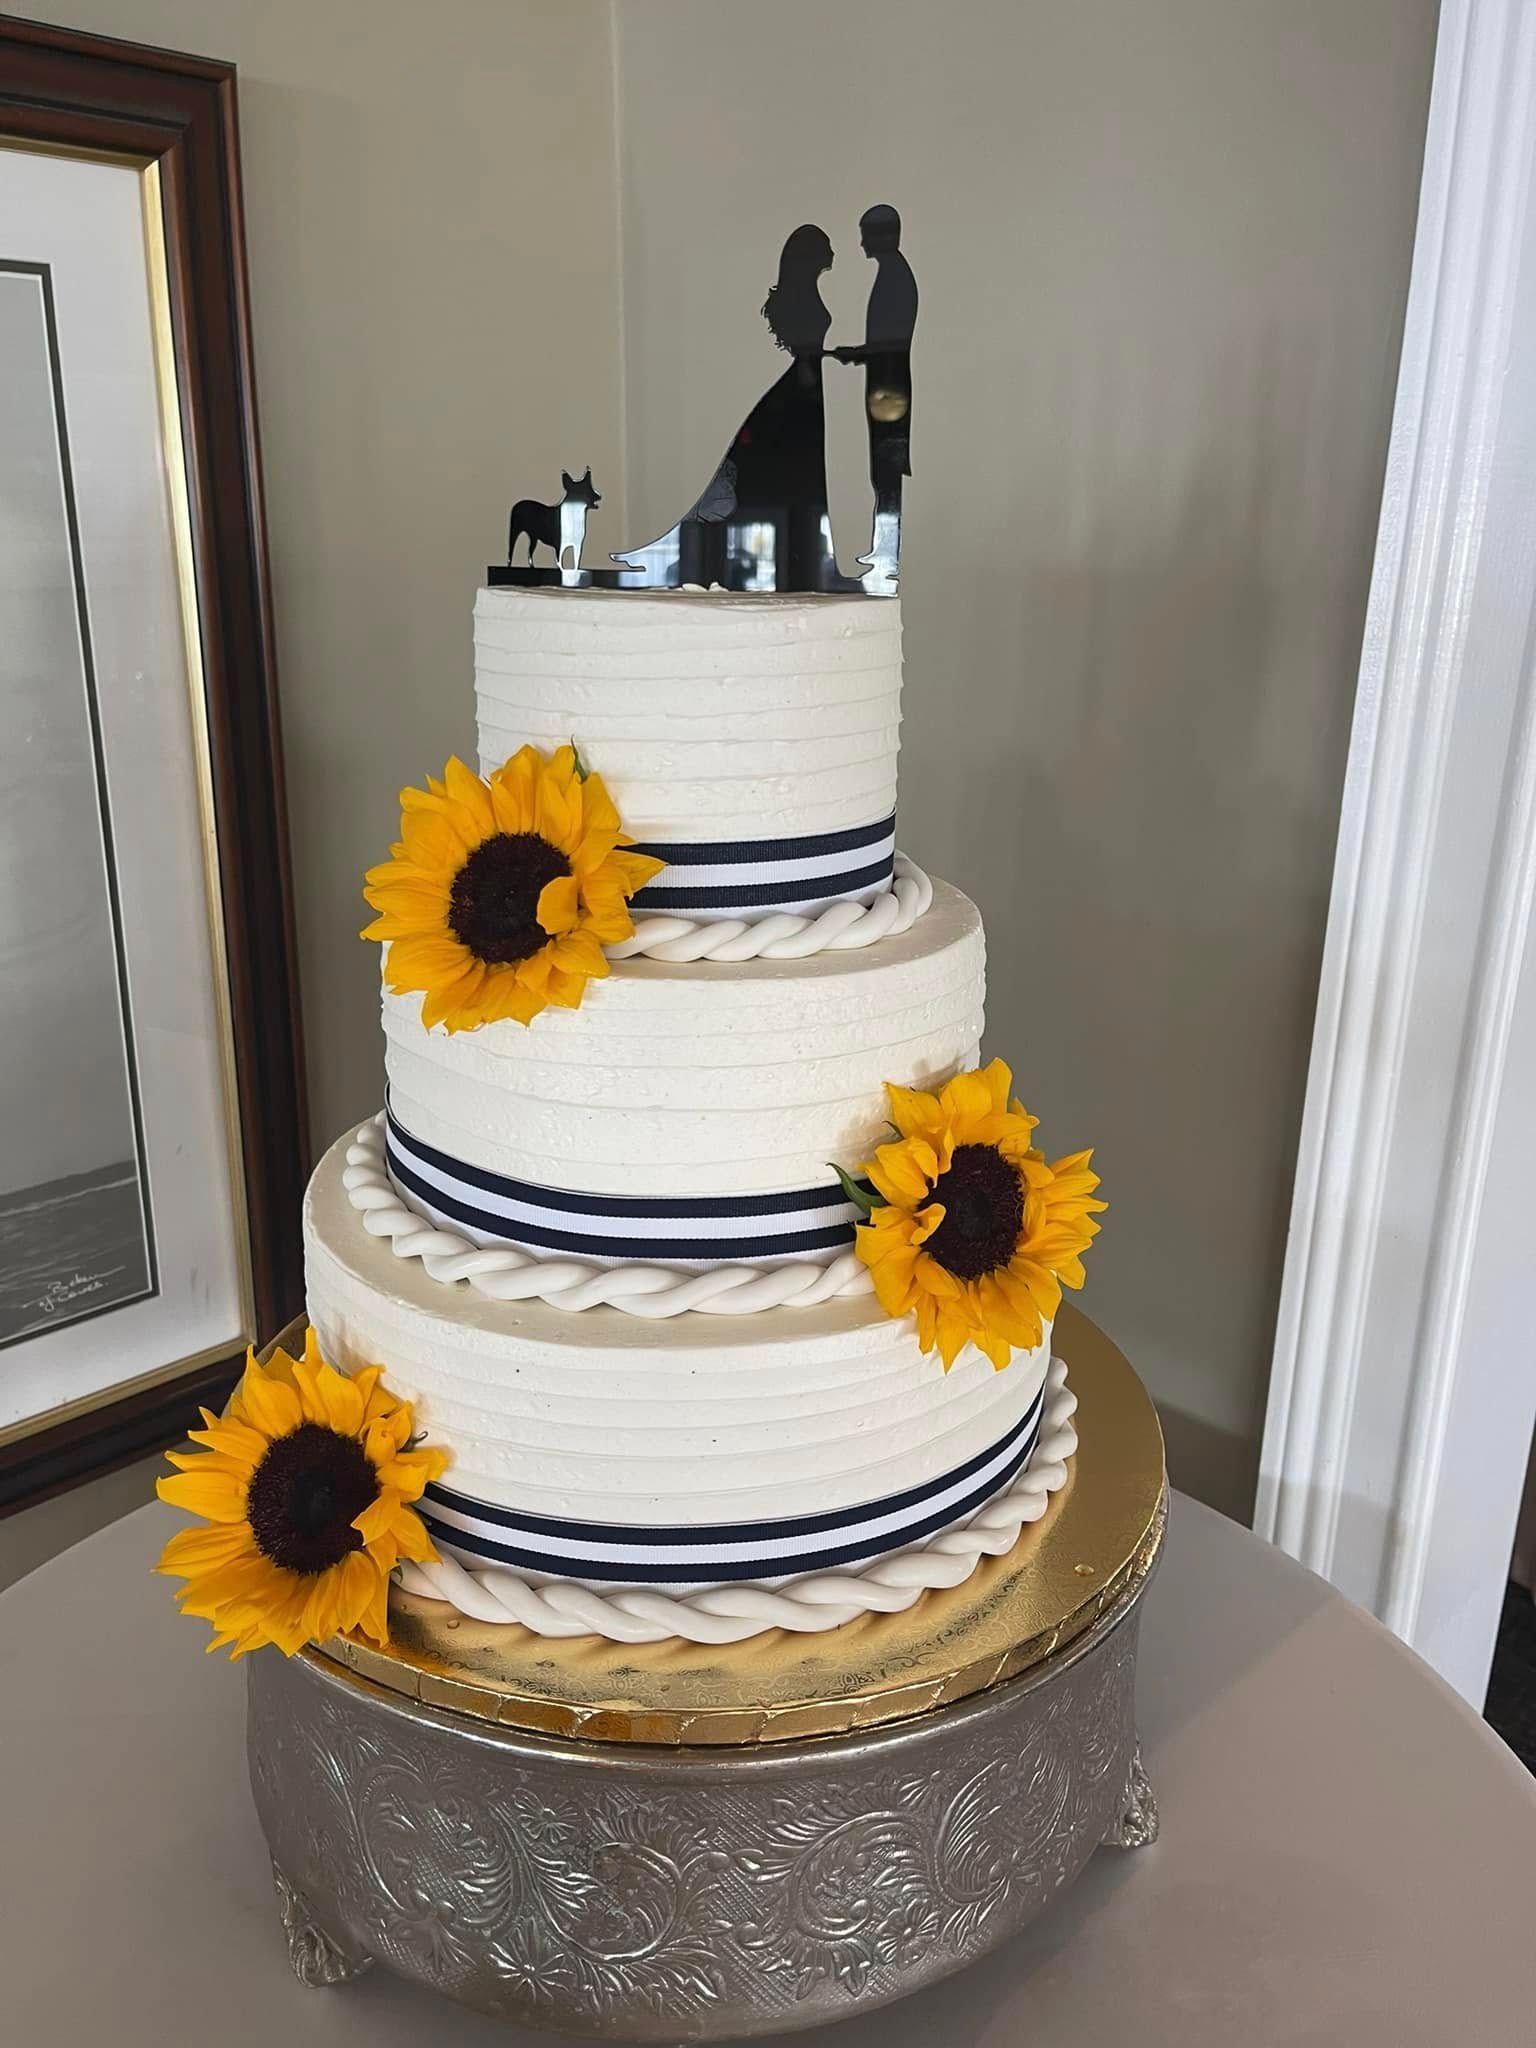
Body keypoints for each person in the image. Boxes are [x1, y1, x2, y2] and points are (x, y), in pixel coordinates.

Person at [612, 224, 847, 589]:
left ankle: (810, 565)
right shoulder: (804, 298)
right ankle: (802, 567)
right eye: (827, 247)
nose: (834, 254)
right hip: (801, 391)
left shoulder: (806, 295)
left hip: (806, 388)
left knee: (806, 478)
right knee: (794, 476)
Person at [832, 204, 918, 591]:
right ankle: (883, 546)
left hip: (890, 390)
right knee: (881, 472)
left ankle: (888, 551)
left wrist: (856, 353)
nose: (861, 242)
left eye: (866, 233)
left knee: (887, 473)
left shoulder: (895, 278)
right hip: (885, 387)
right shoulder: (891, 275)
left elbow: (891, 344)